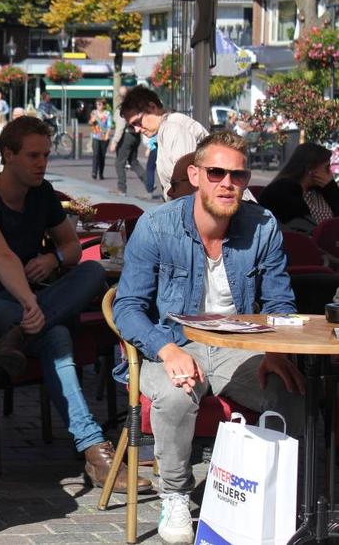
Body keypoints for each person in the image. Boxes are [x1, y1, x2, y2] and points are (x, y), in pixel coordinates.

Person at [113, 131, 305, 544]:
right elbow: (127, 306)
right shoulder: (157, 226)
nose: (227, 183)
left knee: (288, 388)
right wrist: (165, 350)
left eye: (237, 175)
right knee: (177, 391)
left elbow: (279, 302)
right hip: (171, 342)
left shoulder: (263, 225)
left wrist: (273, 349)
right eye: (216, 172)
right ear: (196, 175)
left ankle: (281, 497)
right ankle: (176, 495)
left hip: (240, 346)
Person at [0, 116, 140, 494]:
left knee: (90, 271)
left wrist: (53, 260)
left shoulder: (43, 193)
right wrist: (31, 303)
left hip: (35, 300)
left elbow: (74, 247)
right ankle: (94, 450)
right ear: (7, 155)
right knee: (55, 334)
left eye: (45, 155)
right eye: (32, 155)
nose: (41, 163)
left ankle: (13, 342)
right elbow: (1, 258)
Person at [119, 85, 208, 199]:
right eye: (132, 126)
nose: (136, 129)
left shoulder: (172, 128)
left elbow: (185, 183)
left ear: (152, 107)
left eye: (138, 122)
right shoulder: (165, 129)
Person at [257, 142, 339, 232]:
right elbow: (305, 227)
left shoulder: (321, 189)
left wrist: (331, 187)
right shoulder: (283, 190)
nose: (330, 173)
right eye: (326, 168)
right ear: (310, 169)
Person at [109, 88, 152, 196]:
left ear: (120, 96)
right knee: (133, 161)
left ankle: (122, 189)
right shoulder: (135, 106)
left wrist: (114, 142)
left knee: (120, 163)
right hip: (136, 136)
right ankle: (149, 183)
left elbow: (120, 127)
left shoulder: (123, 107)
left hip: (126, 136)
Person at [89, 98, 112, 180]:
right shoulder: (94, 113)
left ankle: (101, 173)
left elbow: (109, 126)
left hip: (104, 137)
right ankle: (94, 172)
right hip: (96, 136)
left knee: (102, 156)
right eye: (97, 104)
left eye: (100, 104)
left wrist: (107, 135)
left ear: (103, 105)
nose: (98, 106)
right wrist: (92, 120)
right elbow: (90, 123)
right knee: (95, 154)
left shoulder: (107, 114)